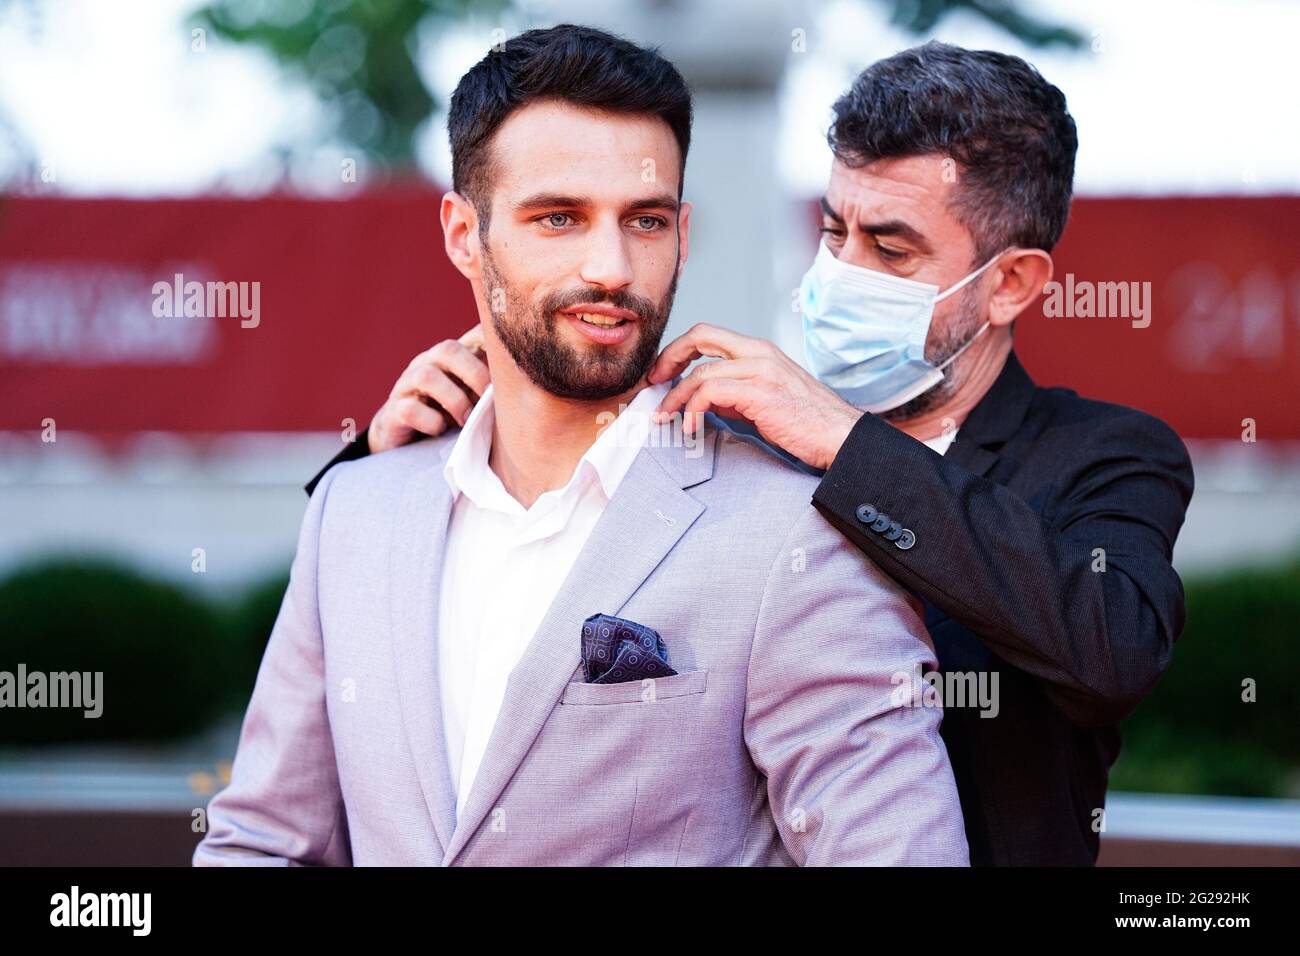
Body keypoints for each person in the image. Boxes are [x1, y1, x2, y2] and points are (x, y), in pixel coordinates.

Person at [309, 41, 1194, 866]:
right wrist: (393, 470)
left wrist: (848, 442)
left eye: (888, 247)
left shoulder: (1107, 455)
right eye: (833, 230)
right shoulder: (744, 438)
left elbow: (1109, 649)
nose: (843, 268)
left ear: (1010, 284)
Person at [197, 25, 968, 867]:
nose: (611, 266)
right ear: (464, 234)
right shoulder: (355, 508)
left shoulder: (796, 535)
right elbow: (264, 843)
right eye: (558, 217)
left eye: (644, 220)